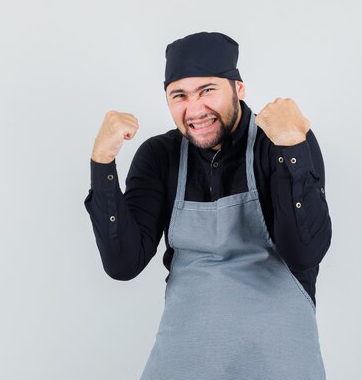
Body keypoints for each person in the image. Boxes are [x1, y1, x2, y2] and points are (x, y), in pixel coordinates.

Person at [84, 32, 332, 380]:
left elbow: (305, 253)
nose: (195, 109)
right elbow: (123, 264)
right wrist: (102, 162)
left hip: (279, 362)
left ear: (238, 89)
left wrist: (292, 146)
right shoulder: (160, 156)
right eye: (179, 95)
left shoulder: (278, 141)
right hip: (184, 361)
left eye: (207, 90)